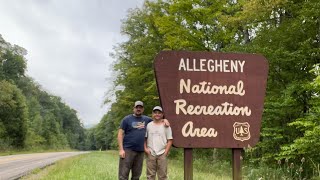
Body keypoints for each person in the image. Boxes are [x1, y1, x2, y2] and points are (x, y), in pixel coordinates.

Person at [118, 101, 169, 180]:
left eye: (140, 107)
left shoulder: (147, 119)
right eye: (137, 107)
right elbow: (120, 134)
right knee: (123, 174)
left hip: (141, 151)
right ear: (133, 108)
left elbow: (157, 119)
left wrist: (165, 120)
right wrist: (121, 149)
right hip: (128, 150)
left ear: (143, 109)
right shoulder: (126, 119)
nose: (138, 109)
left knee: (136, 175)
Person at [144, 106, 173, 180]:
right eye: (155, 113)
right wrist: (145, 149)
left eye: (159, 113)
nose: (157, 114)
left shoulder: (166, 126)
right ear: (152, 114)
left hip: (162, 153)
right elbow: (145, 138)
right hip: (151, 153)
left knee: (163, 176)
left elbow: (170, 140)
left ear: (162, 114)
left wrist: (165, 152)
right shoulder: (149, 125)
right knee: (150, 175)